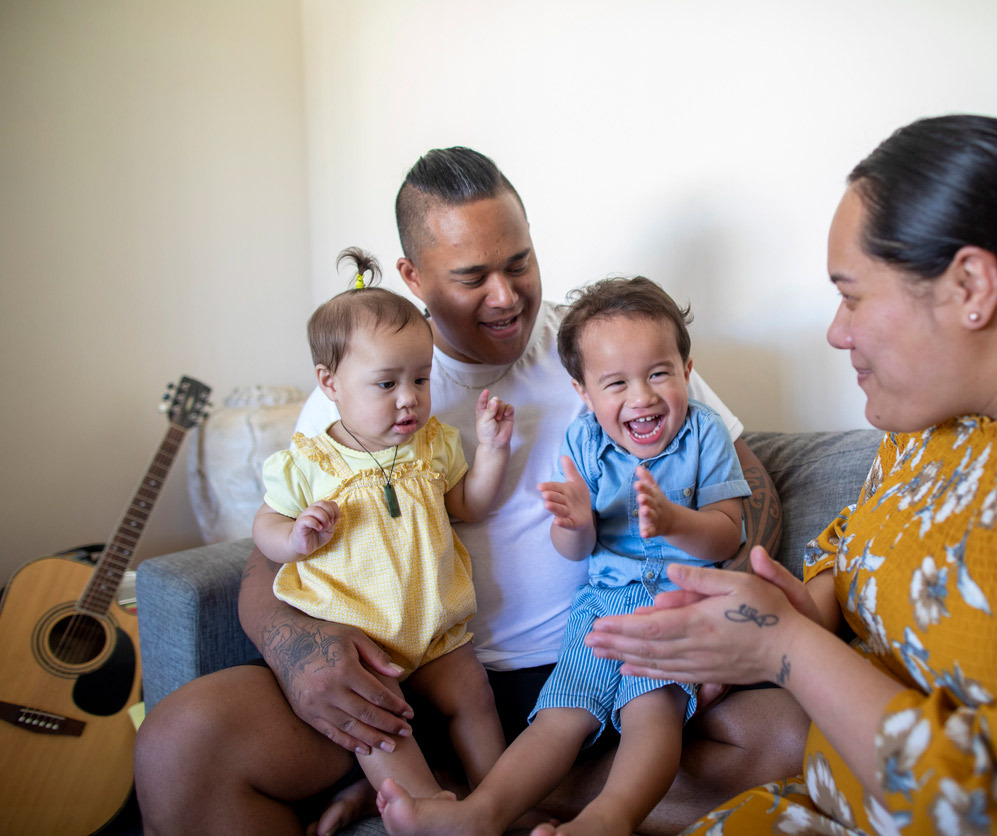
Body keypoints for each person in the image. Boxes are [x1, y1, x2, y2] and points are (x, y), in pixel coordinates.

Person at [584, 114, 997, 835]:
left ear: (970, 284)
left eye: (852, 294)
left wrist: (784, 645)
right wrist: (803, 605)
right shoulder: (946, 416)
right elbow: (861, 552)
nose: (837, 331)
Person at [134, 147, 806, 836]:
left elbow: (749, 488)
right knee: (183, 741)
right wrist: (297, 651)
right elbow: (267, 557)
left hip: (597, 656)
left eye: (519, 263)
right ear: (412, 275)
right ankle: (462, 787)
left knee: (784, 737)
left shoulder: (605, 346)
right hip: (410, 678)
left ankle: (474, 798)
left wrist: (702, 617)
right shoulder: (366, 382)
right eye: (471, 276)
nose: (506, 295)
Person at [376, 275, 752, 836]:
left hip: (680, 603)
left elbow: (728, 533)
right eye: (616, 383)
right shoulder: (582, 442)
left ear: (687, 373)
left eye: (659, 374)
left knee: (651, 711)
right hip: (600, 606)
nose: (642, 397)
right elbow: (574, 550)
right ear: (583, 392)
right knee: (560, 715)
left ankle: (609, 818)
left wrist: (676, 521)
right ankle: (478, 815)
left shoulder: (705, 435)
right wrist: (575, 523)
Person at [251, 247, 512, 806]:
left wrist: (491, 451)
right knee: (381, 728)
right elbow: (265, 525)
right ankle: (421, 807)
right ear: (330, 383)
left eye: (421, 379)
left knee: (476, 696)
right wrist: (294, 537)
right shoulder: (310, 463)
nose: (408, 400)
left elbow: (470, 505)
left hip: (436, 626)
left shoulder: (433, 445)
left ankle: (502, 796)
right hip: (360, 641)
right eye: (385, 384)